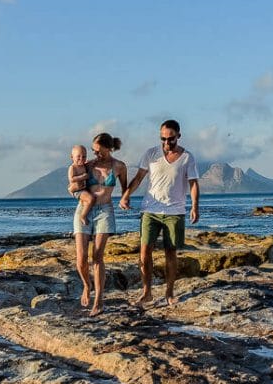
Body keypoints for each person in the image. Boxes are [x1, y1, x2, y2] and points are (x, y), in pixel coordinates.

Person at [120, 119, 199, 306]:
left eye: (170, 139)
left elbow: (193, 183)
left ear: (178, 136)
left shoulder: (188, 157)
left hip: (175, 212)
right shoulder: (151, 154)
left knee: (170, 252)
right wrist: (125, 195)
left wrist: (195, 207)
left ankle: (169, 293)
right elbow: (139, 178)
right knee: (144, 251)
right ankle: (147, 293)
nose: (166, 143)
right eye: (163, 138)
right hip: (150, 210)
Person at [74, 132, 128, 316]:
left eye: (98, 151)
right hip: (84, 210)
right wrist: (72, 189)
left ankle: (99, 301)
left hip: (105, 211)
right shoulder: (87, 166)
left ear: (108, 148)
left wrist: (125, 199)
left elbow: (125, 189)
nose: (95, 154)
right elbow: (73, 185)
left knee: (97, 257)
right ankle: (86, 285)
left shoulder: (119, 166)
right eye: (93, 151)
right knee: (81, 258)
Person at [67, 145, 96, 224]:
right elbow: (71, 179)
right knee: (91, 199)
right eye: (78, 156)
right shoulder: (72, 167)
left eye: (84, 157)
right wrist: (82, 177)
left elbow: (89, 163)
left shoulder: (83, 165)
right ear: (72, 157)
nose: (81, 159)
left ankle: (85, 214)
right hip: (78, 190)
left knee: (87, 201)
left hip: (83, 189)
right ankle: (83, 216)